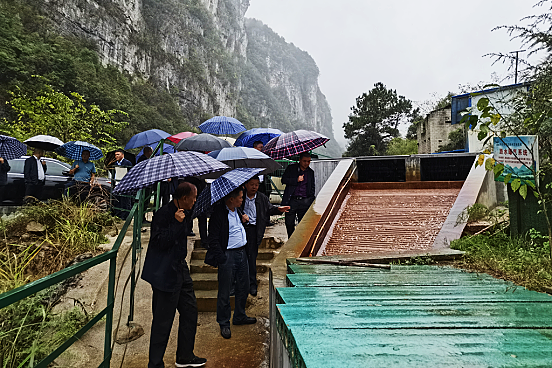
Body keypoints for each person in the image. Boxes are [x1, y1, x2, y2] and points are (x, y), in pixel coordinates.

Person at [141, 182, 207, 368]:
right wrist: (176, 223)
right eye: (193, 198)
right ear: (184, 198)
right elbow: (159, 242)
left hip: (180, 268)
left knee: (190, 311)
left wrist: (182, 221)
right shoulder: (162, 214)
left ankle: (185, 356)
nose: (195, 201)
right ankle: (155, 364)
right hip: (164, 272)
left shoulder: (186, 213)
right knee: (163, 321)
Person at [205, 187, 256, 339]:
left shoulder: (238, 211)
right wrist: (221, 257)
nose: (242, 199)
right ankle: (224, 322)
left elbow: (238, 230)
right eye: (240, 197)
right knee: (225, 290)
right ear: (231, 199)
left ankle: (240, 315)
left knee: (244, 286)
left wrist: (245, 222)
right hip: (228, 254)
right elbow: (212, 239)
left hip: (242, 252)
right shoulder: (219, 214)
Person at [240, 176, 289, 296]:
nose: (254, 187)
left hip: (254, 230)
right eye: (252, 184)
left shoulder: (261, 198)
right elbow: (234, 210)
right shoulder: (240, 196)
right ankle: (238, 284)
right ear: (246, 184)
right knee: (240, 259)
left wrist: (279, 209)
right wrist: (241, 215)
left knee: (251, 259)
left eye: (256, 184)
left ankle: (252, 285)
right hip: (241, 230)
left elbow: (269, 209)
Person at [281, 152, 315, 238]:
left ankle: (300, 243)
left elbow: (312, 187)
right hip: (291, 200)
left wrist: (310, 199)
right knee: (289, 223)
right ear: (299, 160)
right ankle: (291, 240)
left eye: (308, 161)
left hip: (304, 201)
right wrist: (296, 180)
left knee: (303, 225)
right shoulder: (291, 168)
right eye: (304, 161)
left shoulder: (310, 172)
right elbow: (283, 180)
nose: (306, 163)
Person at [112, 149, 133, 219]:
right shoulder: (115, 163)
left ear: (122, 155)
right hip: (117, 183)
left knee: (126, 200)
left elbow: (131, 174)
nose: (116, 156)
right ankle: (118, 215)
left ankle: (126, 216)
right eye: (115, 155)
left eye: (118, 154)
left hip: (126, 184)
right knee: (118, 200)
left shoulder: (127, 163)